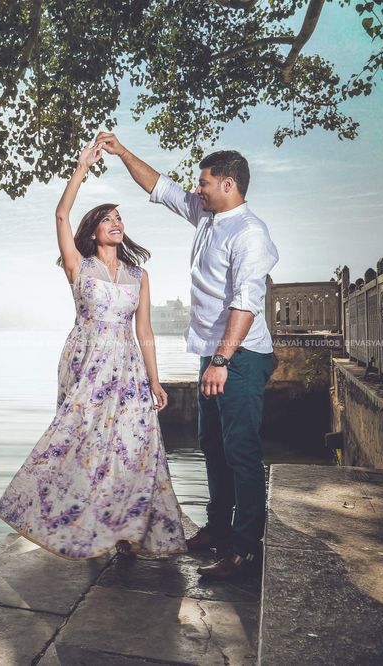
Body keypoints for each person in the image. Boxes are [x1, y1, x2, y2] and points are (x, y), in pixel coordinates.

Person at [96, 131, 279, 581]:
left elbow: (247, 301)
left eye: (204, 182)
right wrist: (120, 152)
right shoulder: (206, 214)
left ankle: (244, 549)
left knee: (240, 451)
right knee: (211, 446)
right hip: (212, 354)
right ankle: (217, 530)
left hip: (239, 356)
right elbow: (160, 187)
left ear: (229, 185)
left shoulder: (249, 232)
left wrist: (221, 360)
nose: (196, 188)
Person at [0, 142, 188, 560]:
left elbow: (145, 329)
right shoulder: (78, 266)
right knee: (83, 443)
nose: (115, 222)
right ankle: (80, 527)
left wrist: (155, 379)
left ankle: (127, 528)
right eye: (106, 218)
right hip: (86, 363)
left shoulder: (139, 274)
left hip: (129, 367)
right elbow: (61, 214)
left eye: (119, 217)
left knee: (134, 444)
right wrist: (81, 166)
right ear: (93, 230)